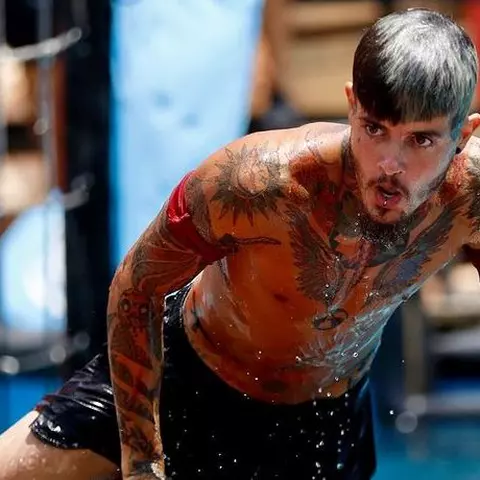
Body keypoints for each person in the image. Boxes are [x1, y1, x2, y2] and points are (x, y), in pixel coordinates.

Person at [2, 7, 480, 480]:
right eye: (374, 129)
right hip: (187, 380)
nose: (390, 165)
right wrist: (143, 460)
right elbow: (137, 285)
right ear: (352, 106)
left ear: (464, 134)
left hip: (322, 421)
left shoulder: (469, 198)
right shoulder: (259, 182)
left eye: (420, 141)